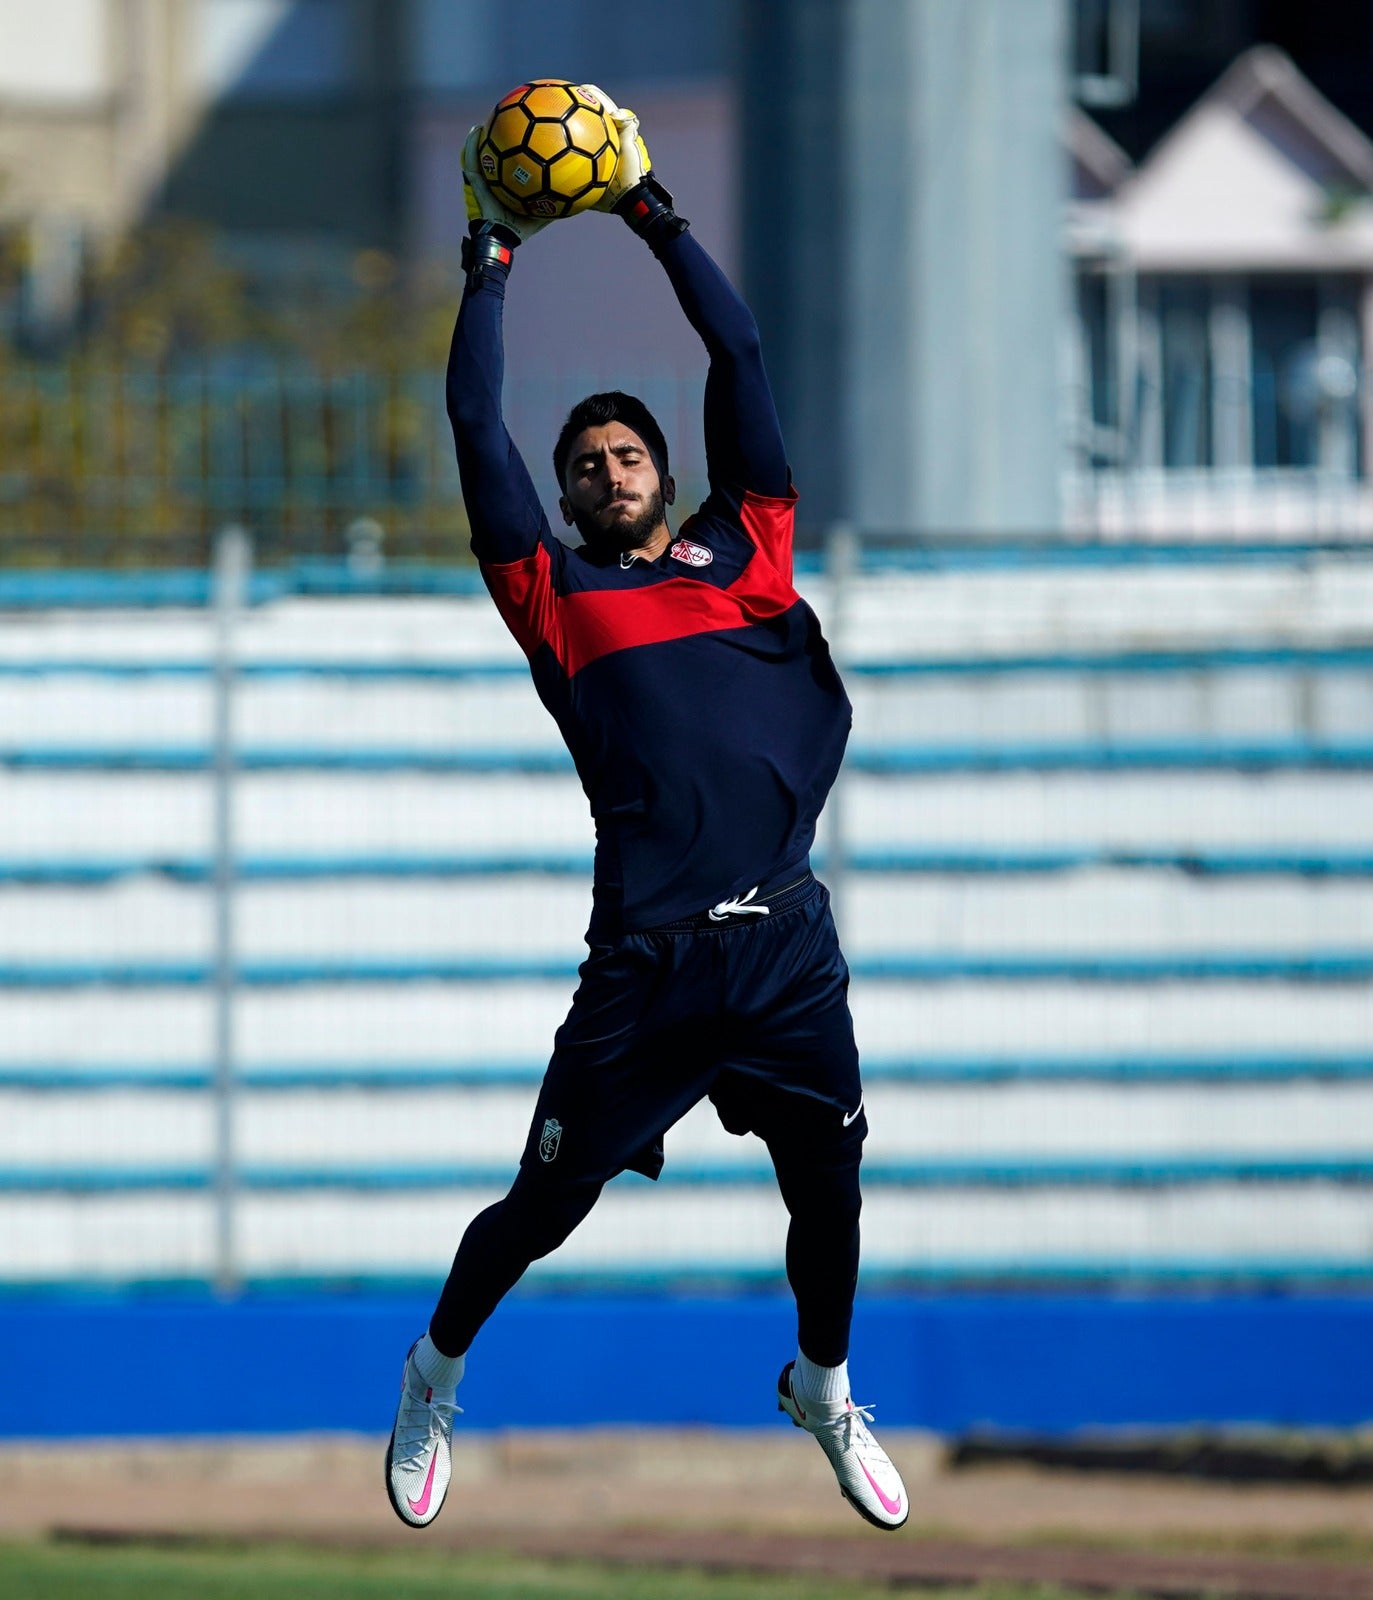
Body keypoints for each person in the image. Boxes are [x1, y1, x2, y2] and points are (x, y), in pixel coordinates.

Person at [384, 88, 908, 1535]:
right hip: (653, 961)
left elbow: (733, 349)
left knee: (835, 1190)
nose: (604, 471)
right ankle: (435, 1368)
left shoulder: (750, 550)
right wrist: (490, 260)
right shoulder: (556, 602)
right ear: (564, 502)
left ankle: (822, 1380)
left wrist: (649, 211)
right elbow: (471, 416)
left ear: (664, 475)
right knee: (540, 1210)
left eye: (624, 455)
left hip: (784, 945)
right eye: (581, 466)